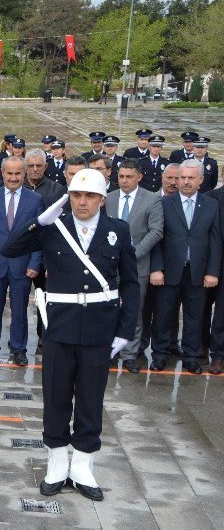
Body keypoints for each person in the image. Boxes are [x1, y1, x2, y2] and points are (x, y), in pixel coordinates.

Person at [1, 168, 138, 501]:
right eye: (76, 195)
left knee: (91, 398)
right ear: (68, 197)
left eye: (90, 196)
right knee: (56, 395)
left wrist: (124, 331)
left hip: (99, 330)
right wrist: (40, 221)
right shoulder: (53, 229)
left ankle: (83, 466)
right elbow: (9, 248)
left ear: (102, 199)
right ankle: (57, 463)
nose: (82, 202)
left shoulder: (117, 231)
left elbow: (131, 284)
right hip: (60, 328)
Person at [148, 160, 221, 373]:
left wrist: (212, 272)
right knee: (163, 314)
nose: (186, 182)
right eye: (182, 178)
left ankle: (191, 356)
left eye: (191, 178)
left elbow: (215, 241)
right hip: (168, 271)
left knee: (195, 316)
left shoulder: (211, 205)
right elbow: (157, 238)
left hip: (197, 272)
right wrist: (156, 268)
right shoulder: (164, 204)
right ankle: (159, 354)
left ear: (201, 180)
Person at [0, 156, 43, 366]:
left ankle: (19, 349)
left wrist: (34, 263)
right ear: (2, 173)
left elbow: (39, 235)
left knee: (20, 310)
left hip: (22, 266)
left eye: (18, 173)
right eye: (9, 173)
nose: (13, 178)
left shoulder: (35, 200)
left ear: (24, 174)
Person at [104, 159, 163, 373]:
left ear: (139, 177)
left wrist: (131, 254)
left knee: (134, 311)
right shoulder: (108, 199)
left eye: (129, 177)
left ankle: (130, 354)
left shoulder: (151, 200)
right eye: (121, 176)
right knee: (109, 309)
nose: (124, 181)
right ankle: (110, 351)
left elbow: (156, 231)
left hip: (138, 265)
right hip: (109, 266)